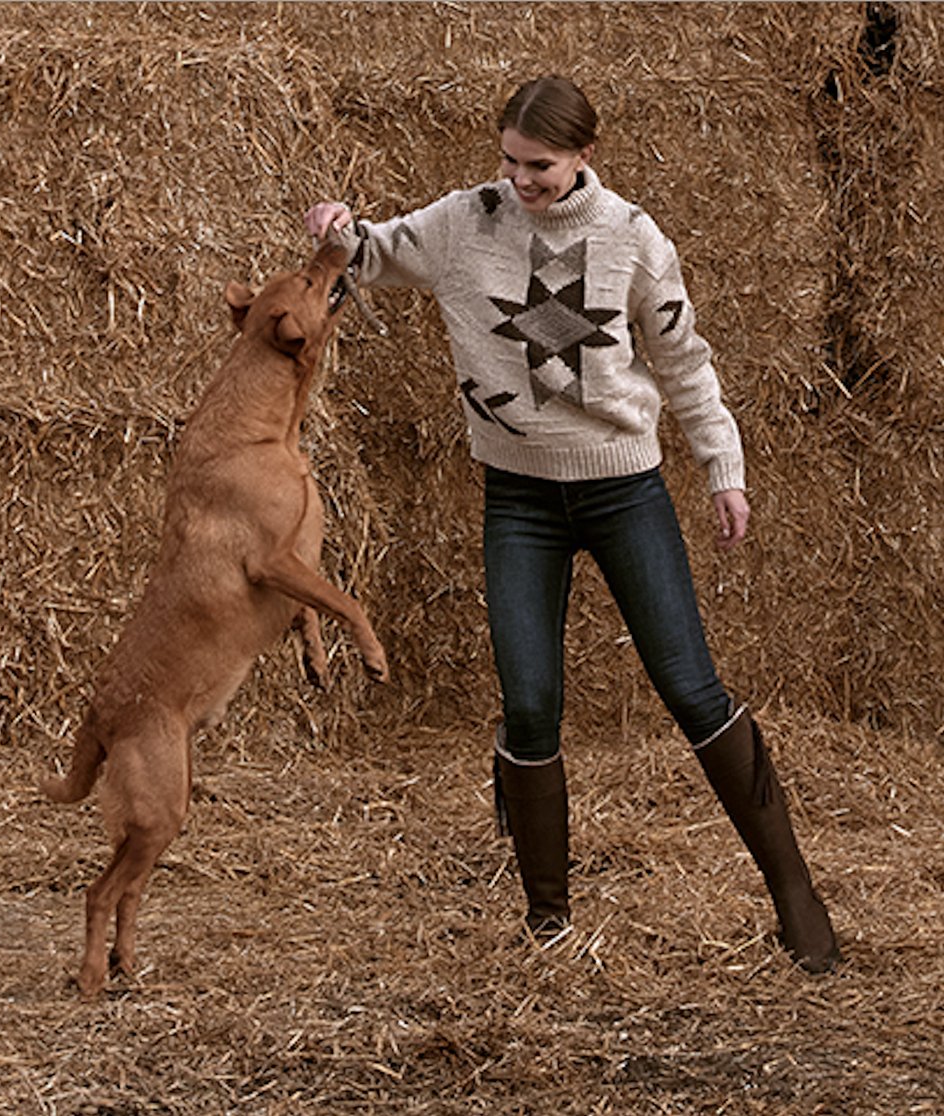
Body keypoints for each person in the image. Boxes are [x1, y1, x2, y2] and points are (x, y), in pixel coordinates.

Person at [305, 76, 839, 972]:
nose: (521, 180)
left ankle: (795, 893)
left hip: (625, 491)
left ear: (584, 155)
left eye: (540, 166)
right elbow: (370, 253)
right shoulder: (464, 222)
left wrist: (724, 468)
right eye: (510, 161)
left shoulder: (633, 238)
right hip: (518, 501)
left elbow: (684, 361)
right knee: (529, 703)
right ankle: (547, 922)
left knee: (690, 688)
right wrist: (335, 229)